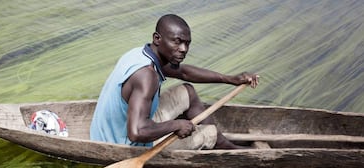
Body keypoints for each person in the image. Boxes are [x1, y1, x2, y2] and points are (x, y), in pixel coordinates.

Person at [90, 14, 259, 149]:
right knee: (209, 133)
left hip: (117, 125)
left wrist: (230, 79)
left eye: (187, 43)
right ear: (157, 38)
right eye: (177, 42)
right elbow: (136, 132)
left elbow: (184, 72)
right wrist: (176, 124)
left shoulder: (143, 53)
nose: (183, 49)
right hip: (123, 141)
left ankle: (223, 144)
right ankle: (220, 143)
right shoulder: (146, 76)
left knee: (188, 91)